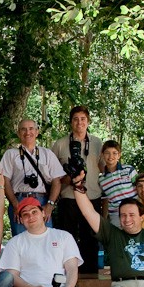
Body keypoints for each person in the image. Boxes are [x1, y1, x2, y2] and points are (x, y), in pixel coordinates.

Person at [51, 106, 103, 274]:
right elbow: (53, 176)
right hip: (68, 197)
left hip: (92, 196)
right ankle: (68, 277)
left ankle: (92, 278)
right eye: (75, 119)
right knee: (67, 238)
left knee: (91, 238)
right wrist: (70, 178)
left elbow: (103, 168)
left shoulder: (97, 143)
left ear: (88, 121)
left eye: (83, 119)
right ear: (70, 122)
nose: (79, 122)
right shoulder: (59, 144)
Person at [0, 118, 64, 235]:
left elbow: (57, 181)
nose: (27, 132)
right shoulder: (10, 154)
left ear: (37, 132)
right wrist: (15, 204)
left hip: (42, 201)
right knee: (21, 241)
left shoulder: (47, 154)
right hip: (19, 200)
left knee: (45, 239)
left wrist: (50, 205)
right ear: (18, 133)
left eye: (31, 129)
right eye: (23, 129)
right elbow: (5, 181)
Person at [98, 140, 137, 228]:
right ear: (102, 155)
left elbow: (139, 188)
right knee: (118, 240)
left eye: (114, 153)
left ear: (119, 155)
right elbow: (105, 200)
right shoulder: (101, 179)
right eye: (107, 153)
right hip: (115, 215)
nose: (111, 156)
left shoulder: (129, 170)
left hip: (133, 210)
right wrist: (104, 219)